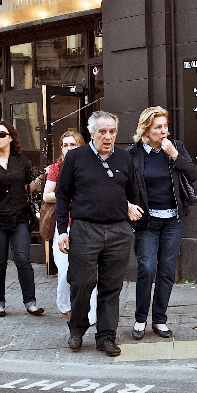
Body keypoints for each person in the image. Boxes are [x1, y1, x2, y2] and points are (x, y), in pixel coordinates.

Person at [55, 111, 141, 357]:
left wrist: (130, 214)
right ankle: (77, 329)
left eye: (112, 131)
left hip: (118, 232)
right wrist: (62, 231)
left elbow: (133, 192)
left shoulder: (125, 159)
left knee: (111, 286)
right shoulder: (76, 158)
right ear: (92, 133)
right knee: (81, 282)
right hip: (84, 229)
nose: (108, 136)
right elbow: (62, 196)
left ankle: (106, 336)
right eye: (102, 131)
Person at [128, 107, 197, 339]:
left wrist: (174, 155)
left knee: (167, 270)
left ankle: (159, 320)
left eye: (165, 126)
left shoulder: (175, 147)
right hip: (148, 222)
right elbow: (122, 185)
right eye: (158, 127)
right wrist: (128, 206)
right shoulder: (133, 153)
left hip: (173, 219)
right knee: (147, 268)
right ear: (146, 130)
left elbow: (192, 174)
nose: (163, 131)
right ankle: (140, 318)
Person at [0, 121, 45, 317]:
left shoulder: (21, 160)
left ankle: (30, 302)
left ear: (10, 138)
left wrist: (40, 179)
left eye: (1, 134)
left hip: (19, 216)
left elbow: (26, 188)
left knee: (23, 258)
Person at [43, 130, 97, 321]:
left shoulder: (90, 164)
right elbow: (47, 195)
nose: (68, 148)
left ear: (81, 146)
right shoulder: (57, 168)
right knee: (65, 270)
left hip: (86, 224)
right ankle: (64, 304)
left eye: (72, 144)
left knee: (89, 271)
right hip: (64, 224)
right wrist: (67, 196)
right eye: (65, 145)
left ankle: (91, 312)